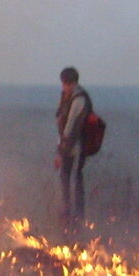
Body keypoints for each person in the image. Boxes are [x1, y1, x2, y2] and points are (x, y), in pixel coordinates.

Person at [54, 67, 91, 223]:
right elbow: (61, 125)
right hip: (66, 146)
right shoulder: (66, 98)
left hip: (77, 147)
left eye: (69, 84)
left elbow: (70, 127)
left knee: (76, 179)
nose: (66, 87)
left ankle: (78, 216)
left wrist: (60, 151)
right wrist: (59, 149)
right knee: (64, 178)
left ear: (75, 83)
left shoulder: (79, 100)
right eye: (64, 84)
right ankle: (66, 211)